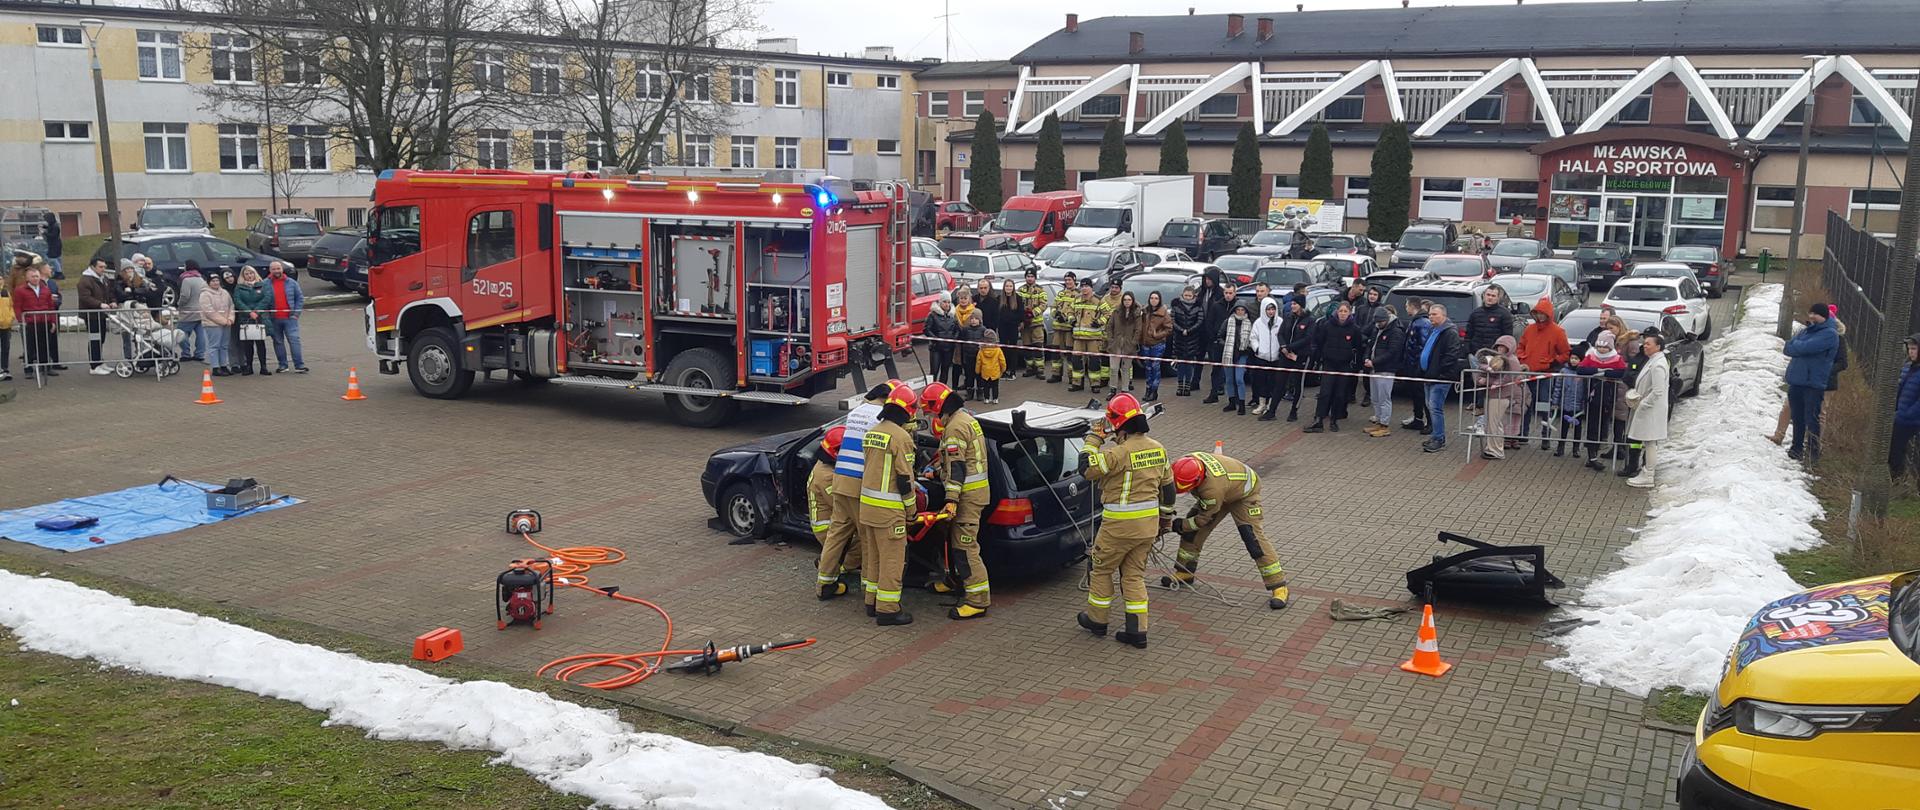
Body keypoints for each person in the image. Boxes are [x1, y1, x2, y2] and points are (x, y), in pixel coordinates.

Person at [1076, 393, 1173, 650]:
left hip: (1118, 527)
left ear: (1117, 424)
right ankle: (1137, 632)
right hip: (1148, 527)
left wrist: (1093, 439)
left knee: (1102, 570)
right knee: (1133, 576)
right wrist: (1165, 518)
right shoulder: (1158, 448)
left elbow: (1086, 469)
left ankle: (1097, 621)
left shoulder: (1118, 453)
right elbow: (1169, 489)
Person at [1167, 451, 1291, 608]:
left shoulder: (1212, 490)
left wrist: (1179, 525)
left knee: (1252, 538)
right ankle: (1184, 571)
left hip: (1244, 494)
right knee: (1192, 534)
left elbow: (1203, 520)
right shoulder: (1183, 465)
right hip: (1225, 487)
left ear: (1197, 480)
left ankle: (1279, 586)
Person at [921, 382, 992, 620]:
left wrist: (951, 499)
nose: (931, 415)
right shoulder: (966, 419)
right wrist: (937, 471)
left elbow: (958, 468)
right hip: (973, 493)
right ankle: (953, 581)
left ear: (939, 405)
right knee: (951, 541)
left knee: (965, 547)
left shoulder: (954, 428)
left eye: (931, 409)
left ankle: (977, 601)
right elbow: (959, 460)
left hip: (967, 497)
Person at [858, 382, 920, 626]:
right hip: (889, 510)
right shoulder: (901, 437)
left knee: (873, 557)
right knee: (892, 560)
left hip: (868, 507)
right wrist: (912, 510)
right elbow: (905, 479)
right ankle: (888, 610)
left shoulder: (873, 431)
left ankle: (872, 603)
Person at [833, 383, 893, 605]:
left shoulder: (856, 411)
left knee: (837, 533)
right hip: (860, 482)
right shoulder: (879, 416)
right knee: (868, 538)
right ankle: (869, 592)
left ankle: (825, 582)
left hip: (840, 477)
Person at [1783, 303, 1840, 463]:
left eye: (1816, 314)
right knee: (1797, 417)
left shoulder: (1830, 334)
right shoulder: (1806, 330)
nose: (1812, 316)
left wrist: (1797, 347)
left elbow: (1806, 347)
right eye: (1811, 313)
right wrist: (1797, 347)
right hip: (1797, 380)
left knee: (1812, 418)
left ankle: (1813, 453)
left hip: (1813, 383)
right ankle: (1796, 448)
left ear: (1824, 316)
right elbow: (1788, 347)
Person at [1517, 299, 1570, 447]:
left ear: (1548, 314)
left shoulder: (1558, 332)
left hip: (1545, 375)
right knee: (1526, 405)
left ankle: (1545, 436)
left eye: (1542, 314)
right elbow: (1520, 346)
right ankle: (1523, 434)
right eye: (1537, 313)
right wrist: (1523, 358)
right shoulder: (1529, 329)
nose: (1539, 317)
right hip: (1528, 374)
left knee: (1543, 405)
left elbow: (1565, 353)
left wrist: (1552, 362)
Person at [807, 428, 852, 599]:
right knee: (862, 544)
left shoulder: (823, 465)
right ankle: (830, 569)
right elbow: (843, 504)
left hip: (830, 520)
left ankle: (828, 565)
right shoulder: (826, 476)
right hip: (826, 526)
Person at [1305, 301, 1363, 433]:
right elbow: (1319, 343)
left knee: (1339, 394)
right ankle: (1319, 420)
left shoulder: (1354, 329)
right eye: (1340, 311)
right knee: (1325, 393)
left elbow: (1358, 347)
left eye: (1345, 311)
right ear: (1337, 312)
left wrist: (1355, 365)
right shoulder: (1327, 325)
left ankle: (1334, 420)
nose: (1342, 314)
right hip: (1329, 363)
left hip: (1344, 365)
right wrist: (1318, 360)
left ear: (1349, 313)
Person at [1418, 304, 1468, 452]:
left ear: (1444, 315)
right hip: (1429, 376)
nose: (1431, 317)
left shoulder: (1449, 333)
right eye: (1429, 314)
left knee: (1435, 407)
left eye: (1434, 314)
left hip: (1441, 378)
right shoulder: (1434, 330)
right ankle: (1435, 436)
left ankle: (1439, 439)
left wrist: (1437, 373)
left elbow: (1451, 356)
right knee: (1430, 405)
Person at [1624, 333, 1672, 488]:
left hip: (1651, 410)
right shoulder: (1653, 361)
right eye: (1644, 343)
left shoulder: (1658, 365)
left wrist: (1643, 404)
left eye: (1648, 344)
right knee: (1648, 441)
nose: (1644, 346)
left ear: (1658, 346)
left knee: (1650, 442)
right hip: (1649, 408)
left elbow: (1658, 391)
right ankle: (1646, 472)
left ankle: (1648, 474)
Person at [1575, 331, 1628, 470]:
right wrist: (1597, 370)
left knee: (1603, 426)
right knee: (1592, 426)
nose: (1602, 349)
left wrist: (1605, 373)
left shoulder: (1616, 358)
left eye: (1605, 347)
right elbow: (1580, 369)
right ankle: (1592, 456)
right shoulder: (1591, 355)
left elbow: (1622, 372)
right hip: (1593, 397)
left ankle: (1597, 451)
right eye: (1599, 346)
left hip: (1609, 397)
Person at [1363, 305, 1405, 437]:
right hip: (1374, 368)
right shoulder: (1377, 328)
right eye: (1377, 322)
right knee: (1375, 397)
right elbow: (1370, 345)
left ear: (1386, 319)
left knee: (1384, 398)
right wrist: (1366, 358)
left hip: (1386, 369)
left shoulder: (1396, 331)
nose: (1378, 324)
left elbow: (1393, 352)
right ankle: (1378, 420)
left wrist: (1374, 361)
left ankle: (1385, 425)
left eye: (1381, 322)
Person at [1274, 296, 1316, 422]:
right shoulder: (1288, 317)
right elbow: (1280, 333)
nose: (1292, 306)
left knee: (1298, 385)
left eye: (1295, 304)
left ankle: (1294, 411)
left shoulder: (1310, 320)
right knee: (1279, 383)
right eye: (1292, 303)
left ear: (1301, 305)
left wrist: (1290, 347)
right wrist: (1283, 347)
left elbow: (1307, 339)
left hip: (1300, 356)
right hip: (1285, 355)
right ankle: (1272, 410)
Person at [13, 265, 58, 377]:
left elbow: (51, 306)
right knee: (29, 346)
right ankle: (28, 369)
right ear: (27, 278)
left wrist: (53, 321)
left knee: (44, 345)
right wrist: (21, 320)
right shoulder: (20, 290)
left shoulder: (45, 289)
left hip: (44, 321)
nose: (35, 278)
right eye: (33, 276)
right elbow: (17, 307)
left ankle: (46, 367)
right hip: (29, 322)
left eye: (37, 276)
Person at [264, 261, 308, 373]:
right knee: (278, 342)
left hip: (290, 318)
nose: (276, 271)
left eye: (278, 268)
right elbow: (262, 300)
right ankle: (283, 365)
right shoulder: (265, 284)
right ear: (270, 270)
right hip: (274, 319)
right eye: (274, 269)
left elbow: (300, 298)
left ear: (282, 269)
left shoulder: (292, 283)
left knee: (294, 341)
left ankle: (299, 365)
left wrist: (296, 314)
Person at [77, 258, 117, 375]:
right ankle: (94, 365)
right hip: (91, 315)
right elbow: (85, 297)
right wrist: (99, 304)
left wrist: (112, 301)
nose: (103, 269)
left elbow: (109, 292)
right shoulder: (85, 280)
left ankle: (99, 361)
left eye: (104, 267)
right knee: (95, 339)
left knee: (101, 338)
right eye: (100, 267)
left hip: (101, 314)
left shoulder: (103, 278)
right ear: (93, 267)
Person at [233, 266, 273, 375]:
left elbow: (267, 298)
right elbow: (237, 301)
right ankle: (249, 367)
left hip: (259, 318)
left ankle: (263, 367)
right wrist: (249, 312)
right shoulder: (239, 288)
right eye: (247, 274)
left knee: (260, 343)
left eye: (251, 273)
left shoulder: (263, 285)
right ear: (243, 275)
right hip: (246, 318)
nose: (249, 276)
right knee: (248, 344)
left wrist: (256, 311)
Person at [1402, 298, 1434, 432]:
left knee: (1422, 395)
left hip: (1418, 366)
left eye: (1406, 305)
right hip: (1411, 365)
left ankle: (1430, 423)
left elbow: (1422, 346)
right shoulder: (1416, 321)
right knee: (1416, 394)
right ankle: (1418, 419)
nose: (1405, 308)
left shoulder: (1422, 323)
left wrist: (1418, 366)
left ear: (1411, 306)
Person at [1248, 299, 1284, 419]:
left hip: (1276, 358)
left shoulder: (1280, 322)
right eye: (1268, 309)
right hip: (1261, 358)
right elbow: (1253, 337)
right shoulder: (1258, 323)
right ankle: (1261, 404)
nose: (1271, 312)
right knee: (1261, 382)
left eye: (1273, 309)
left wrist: (1280, 351)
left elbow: (1283, 337)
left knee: (1273, 383)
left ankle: (1270, 405)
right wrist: (1257, 349)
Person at [1067, 284, 1105, 393]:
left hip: (1093, 338)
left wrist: (1099, 322)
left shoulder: (1098, 300)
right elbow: (1069, 311)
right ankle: (1077, 383)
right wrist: (1071, 319)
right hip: (1078, 337)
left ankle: (1095, 384)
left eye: (1086, 286)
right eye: (1082, 286)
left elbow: (1108, 313)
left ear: (1091, 288)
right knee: (1076, 361)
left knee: (1094, 362)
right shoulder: (1076, 299)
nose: (1084, 288)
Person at [1198, 274, 1230, 403]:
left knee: (1221, 365)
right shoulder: (1202, 292)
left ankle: (1220, 387)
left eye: (1210, 279)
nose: (1207, 281)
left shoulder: (1219, 296)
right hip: (1205, 332)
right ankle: (1210, 389)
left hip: (1222, 338)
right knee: (1206, 361)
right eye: (1206, 279)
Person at [1218, 301, 1254, 415]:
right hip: (1229, 353)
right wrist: (1227, 344)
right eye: (1238, 310)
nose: (1240, 312)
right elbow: (1220, 336)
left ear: (1246, 311)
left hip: (1242, 354)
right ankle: (1231, 402)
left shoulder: (1249, 323)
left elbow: (1252, 339)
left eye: (1242, 310)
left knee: (1239, 379)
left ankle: (1242, 404)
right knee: (1229, 379)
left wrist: (1247, 348)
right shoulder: (1228, 321)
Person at [1893, 335, 1920, 481]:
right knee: (1895, 448)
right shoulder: (1908, 367)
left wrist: (1907, 414)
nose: (1911, 352)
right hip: (1899, 414)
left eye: (1914, 349)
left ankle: (1897, 479)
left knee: (1897, 448)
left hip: (1910, 419)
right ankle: (1895, 478)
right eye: (1909, 349)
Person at [1171, 286, 1206, 396]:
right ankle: (1180, 385)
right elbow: (1172, 320)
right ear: (1182, 294)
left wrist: (1189, 331)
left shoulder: (1198, 306)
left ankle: (1187, 386)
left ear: (1193, 296)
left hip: (1193, 338)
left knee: (1190, 364)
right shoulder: (1176, 305)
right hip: (1179, 338)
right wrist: (1181, 330)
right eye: (1186, 295)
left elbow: (1200, 321)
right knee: (1180, 363)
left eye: (1189, 296)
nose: (1187, 297)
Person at [1106, 291, 1144, 394]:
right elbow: (1109, 327)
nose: (1127, 302)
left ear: (1133, 301)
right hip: (1116, 344)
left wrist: (1133, 342)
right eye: (1125, 300)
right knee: (1114, 368)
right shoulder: (1116, 312)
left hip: (1129, 345)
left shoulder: (1137, 314)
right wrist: (1111, 340)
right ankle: (1113, 389)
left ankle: (1125, 389)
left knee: (1126, 369)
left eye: (1129, 300)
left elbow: (1138, 330)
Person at [1139, 291, 1173, 402]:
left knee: (1155, 367)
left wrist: (1157, 335)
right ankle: (1148, 389)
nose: (1153, 300)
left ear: (1159, 300)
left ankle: (1154, 391)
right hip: (1146, 344)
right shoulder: (1145, 312)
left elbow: (1169, 329)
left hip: (1157, 344)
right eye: (1152, 298)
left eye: (1156, 298)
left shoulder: (1163, 313)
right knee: (1148, 368)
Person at [201, 272, 234, 376]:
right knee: (214, 346)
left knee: (224, 346)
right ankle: (215, 367)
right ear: (208, 283)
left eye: (217, 280)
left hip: (226, 323)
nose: (215, 283)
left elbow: (231, 306)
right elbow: (208, 311)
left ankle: (224, 365)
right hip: (212, 324)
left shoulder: (225, 293)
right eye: (213, 281)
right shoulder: (205, 294)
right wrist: (223, 321)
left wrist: (230, 319)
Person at [1017, 271, 1049, 377]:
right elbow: (1017, 303)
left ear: (1035, 278)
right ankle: (1029, 368)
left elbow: (1043, 305)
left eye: (1032, 276)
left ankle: (1040, 370)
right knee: (1026, 347)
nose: (1030, 278)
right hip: (1025, 325)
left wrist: (1033, 313)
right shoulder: (1021, 290)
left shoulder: (1040, 290)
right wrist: (1022, 316)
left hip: (1037, 324)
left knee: (1038, 346)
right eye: (1028, 276)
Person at [175, 260, 208, 362]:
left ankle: (186, 353)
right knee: (201, 334)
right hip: (201, 310)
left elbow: (185, 295)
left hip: (188, 312)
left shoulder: (186, 280)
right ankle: (200, 353)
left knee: (180, 332)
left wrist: (179, 304)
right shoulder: (201, 279)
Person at [1046, 275, 1077, 383]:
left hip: (1069, 329)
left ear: (1074, 281)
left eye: (1070, 280)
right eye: (1066, 280)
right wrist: (1056, 314)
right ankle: (1056, 375)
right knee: (1055, 352)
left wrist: (1068, 319)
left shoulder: (1078, 295)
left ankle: (1072, 377)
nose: (1068, 282)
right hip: (1058, 328)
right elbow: (1053, 307)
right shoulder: (1060, 294)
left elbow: (1078, 311)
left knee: (1069, 354)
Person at [1466, 284, 1512, 354]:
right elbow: (1468, 335)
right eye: (1488, 295)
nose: (1490, 298)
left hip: (1494, 355)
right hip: (1476, 353)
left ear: (1498, 298)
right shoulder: (1476, 313)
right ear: (1484, 296)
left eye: (1493, 296)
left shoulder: (1504, 314)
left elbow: (1507, 337)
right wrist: (1468, 351)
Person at [924, 297, 960, 386]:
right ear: (940, 303)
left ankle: (941, 389)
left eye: (948, 302)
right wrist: (935, 339)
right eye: (944, 302)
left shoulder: (953, 315)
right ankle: (930, 389)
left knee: (945, 370)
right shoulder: (932, 315)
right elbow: (926, 329)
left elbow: (957, 330)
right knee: (934, 370)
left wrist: (954, 339)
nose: (947, 304)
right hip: (936, 348)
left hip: (949, 348)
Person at [995, 279, 1023, 374]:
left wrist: (1013, 319)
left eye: (1010, 286)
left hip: (1013, 327)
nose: (1008, 288)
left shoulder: (1018, 298)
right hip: (1002, 327)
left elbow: (1020, 314)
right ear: (1004, 287)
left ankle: (1013, 371)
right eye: (1007, 286)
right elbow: (997, 314)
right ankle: (1004, 370)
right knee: (1003, 348)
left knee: (1013, 349)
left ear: (1013, 287)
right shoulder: (999, 298)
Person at [957, 311, 985, 398]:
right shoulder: (965, 329)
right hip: (968, 356)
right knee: (969, 375)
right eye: (972, 318)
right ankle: (970, 392)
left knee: (979, 375)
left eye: (976, 319)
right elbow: (962, 341)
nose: (973, 320)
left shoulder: (983, 330)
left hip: (978, 356)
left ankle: (980, 391)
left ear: (980, 320)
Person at [976, 329, 1005, 404]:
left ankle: (986, 398)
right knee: (995, 386)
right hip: (995, 372)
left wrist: (977, 370)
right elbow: (1002, 361)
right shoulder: (998, 350)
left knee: (986, 386)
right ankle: (995, 398)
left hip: (985, 372)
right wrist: (1003, 369)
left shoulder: (981, 350)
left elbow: (978, 362)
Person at [42, 211, 63, 279]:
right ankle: (58, 272)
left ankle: (59, 272)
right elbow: (50, 228)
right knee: (57, 258)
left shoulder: (55, 226)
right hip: (55, 244)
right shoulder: (53, 225)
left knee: (53, 258)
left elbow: (53, 235)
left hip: (55, 244)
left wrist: (45, 234)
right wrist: (45, 227)